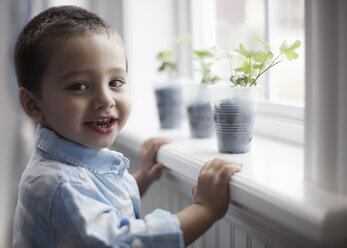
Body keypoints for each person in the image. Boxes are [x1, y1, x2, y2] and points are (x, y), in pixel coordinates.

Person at [13, 5, 242, 248]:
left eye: (115, 82)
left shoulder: (72, 168)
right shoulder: (58, 184)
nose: (106, 99)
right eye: (79, 86)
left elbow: (100, 204)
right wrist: (205, 210)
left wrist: (142, 177)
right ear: (33, 104)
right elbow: (121, 240)